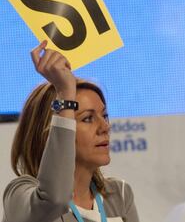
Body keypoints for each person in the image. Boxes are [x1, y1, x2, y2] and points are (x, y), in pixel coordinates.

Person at [2, 41, 140, 222]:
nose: (105, 127)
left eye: (104, 116)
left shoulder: (119, 194)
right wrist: (65, 94)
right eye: (88, 118)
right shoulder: (20, 196)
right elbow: (55, 199)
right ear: (50, 131)